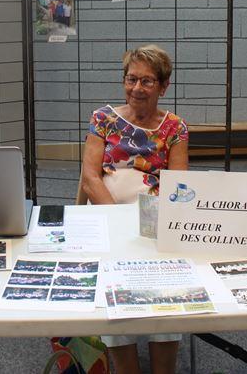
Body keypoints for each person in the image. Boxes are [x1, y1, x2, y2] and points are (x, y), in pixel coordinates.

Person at [81, 45, 189, 374]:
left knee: (168, 287)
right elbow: (90, 177)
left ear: (163, 86)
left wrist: (148, 223)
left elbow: (178, 187)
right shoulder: (103, 118)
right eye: (131, 79)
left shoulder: (175, 128)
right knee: (114, 291)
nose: (136, 89)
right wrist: (117, 220)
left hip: (154, 219)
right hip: (106, 216)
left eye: (147, 82)